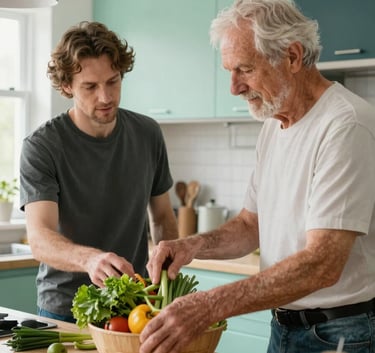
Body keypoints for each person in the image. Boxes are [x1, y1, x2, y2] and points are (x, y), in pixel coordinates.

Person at [139, 1, 375, 353]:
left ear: (293, 57)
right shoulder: (273, 124)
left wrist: (207, 306)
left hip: (339, 332)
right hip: (283, 327)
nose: (234, 87)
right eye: (229, 71)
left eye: (245, 69)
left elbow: (322, 264)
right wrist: (191, 246)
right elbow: (252, 225)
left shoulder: (345, 125)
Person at [19, 21, 178, 323]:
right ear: (67, 86)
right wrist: (91, 259)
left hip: (135, 303)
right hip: (66, 308)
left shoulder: (147, 134)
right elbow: (40, 238)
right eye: (90, 87)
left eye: (113, 81)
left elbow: (162, 217)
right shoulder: (42, 146)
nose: (105, 97)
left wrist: (165, 281)